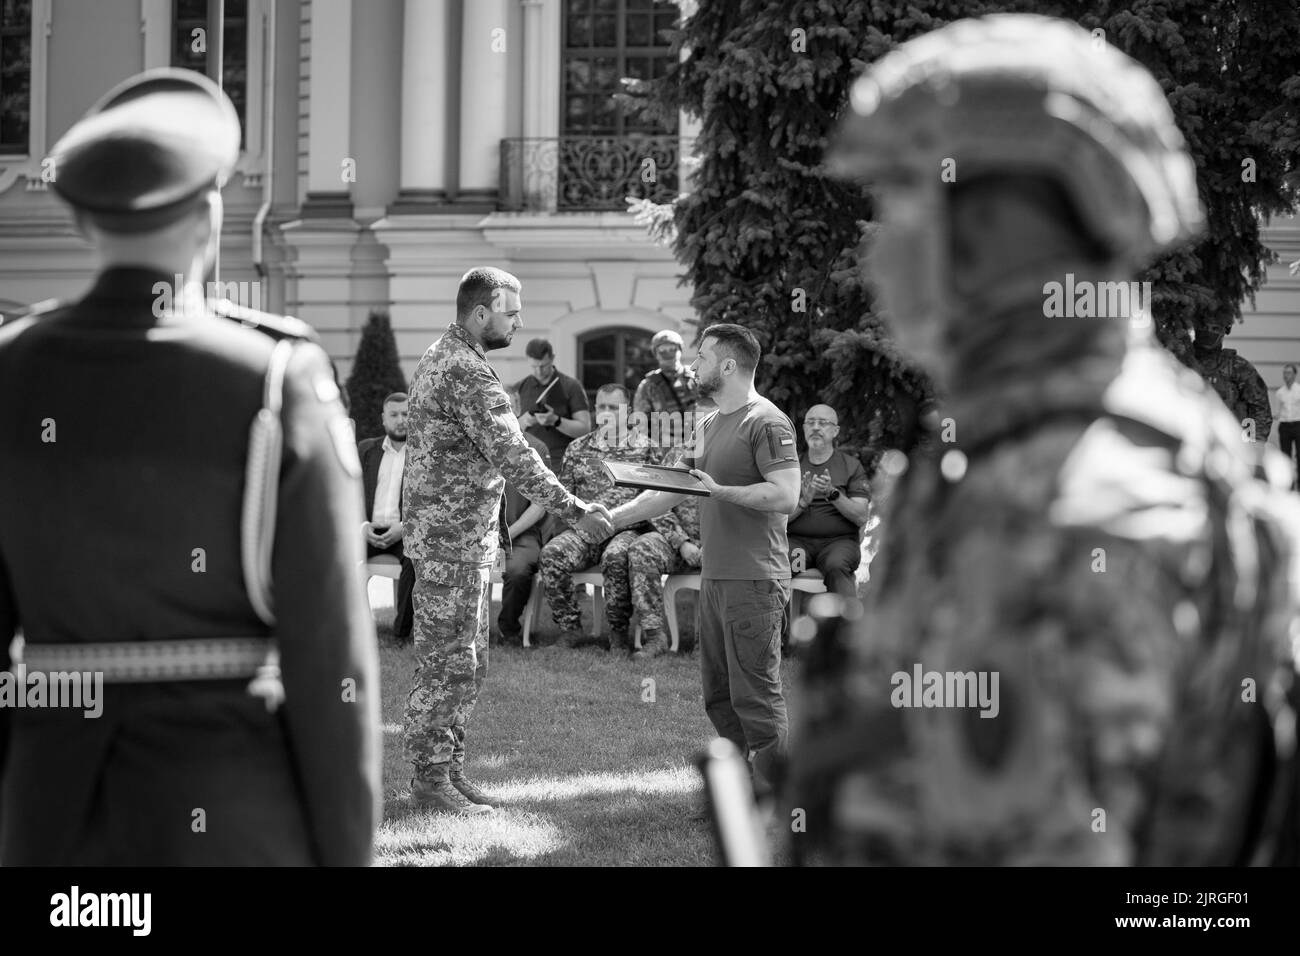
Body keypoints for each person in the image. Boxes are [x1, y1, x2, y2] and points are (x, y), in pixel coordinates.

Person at [787, 13, 1300, 866]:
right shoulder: (1124, 437)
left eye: (904, 204)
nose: (879, 253)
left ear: (1005, 228)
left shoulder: (1067, 513)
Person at [0, 68, 381, 865]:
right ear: (209, 213)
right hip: (234, 815)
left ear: (82, 224)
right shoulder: (276, 378)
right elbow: (329, 659)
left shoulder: (12, 371)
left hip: (50, 821)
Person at [402, 266, 612, 815]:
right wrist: (576, 508)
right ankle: (430, 781)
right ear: (481, 313)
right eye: (511, 311)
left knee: (466, 661)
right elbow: (515, 454)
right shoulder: (465, 371)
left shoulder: (452, 357)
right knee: (447, 662)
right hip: (449, 542)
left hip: (460, 539)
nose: (519, 321)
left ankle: (450, 773)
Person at [605, 324, 800, 801]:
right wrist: (611, 518)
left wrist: (720, 491)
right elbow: (668, 490)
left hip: (755, 579)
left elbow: (786, 495)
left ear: (729, 365)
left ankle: (777, 797)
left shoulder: (768, 422)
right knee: (720, 695)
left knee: (755, 694)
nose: (693, 366)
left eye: (703, 357)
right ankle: (737, 795)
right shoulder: (707, 424)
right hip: (717, 578)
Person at [537, 383, 668, 651]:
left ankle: (618, 633)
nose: (606, 412)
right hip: (585, 530)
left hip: (627, 529)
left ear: (629, 411)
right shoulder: (578, 448)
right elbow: (565, 497)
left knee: (615, 556)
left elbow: (657, 500)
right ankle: (570, 629)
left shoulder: (647, 449)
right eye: (602, 407)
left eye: (613, 407)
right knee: (552, 553)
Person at [602, 445, 704, 660]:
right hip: (678, 542)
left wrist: (712, 545)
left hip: (721, 542)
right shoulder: (679, 455)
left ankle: (706, 642)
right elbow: (658, 501)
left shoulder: (735, 451)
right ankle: (655, 636)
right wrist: (682, 542)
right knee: (642, 548)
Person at [786, 404, 872, 597]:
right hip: (799, 544)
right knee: (779, 566)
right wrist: (802, 503)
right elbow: (777, 519)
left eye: (823, 423)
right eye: (811, 422)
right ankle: (777, 627)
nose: (816, 427)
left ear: (835, 431)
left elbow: (860, 516)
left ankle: (845, 625)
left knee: (835, 565)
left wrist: (833, 494)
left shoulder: (851, 466)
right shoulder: (792, 466)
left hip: (838, 543)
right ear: (804, 429)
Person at [496, 384, 553, 644]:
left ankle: (508, 629)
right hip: (476, 535)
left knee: (518, 572)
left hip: (520, 534)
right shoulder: (474, 445)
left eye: (506, 407)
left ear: (517, 410)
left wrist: (506, 534)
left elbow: (540, 505)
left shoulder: (535, 449)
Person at [359, 392, 414, 643]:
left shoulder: (423, 454)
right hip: (367, 530)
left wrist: (404, 527)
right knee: (337, 555)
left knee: (415, 558)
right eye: (394, 415)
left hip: (403, 532)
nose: (400, 420)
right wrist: (361, 526)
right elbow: (350, 492)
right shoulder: (367, 450)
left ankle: (401, 633)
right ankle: (351, 627)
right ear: (384, 419)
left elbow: (428, 500)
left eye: (406, 414)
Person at [1190, 310, 1273, 442]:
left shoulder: (1238, 367)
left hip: (1230, 448)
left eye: (1215, 328)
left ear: (1224, 331)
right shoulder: (1181, 361)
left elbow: (1260, 410)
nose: (1208, 332)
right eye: (1204, 327)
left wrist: (1253, 445)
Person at [516, 337, 591, 469]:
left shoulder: (571, 386)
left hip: (561, 464)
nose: (538, 371)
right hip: (528, 465)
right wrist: (524, 421)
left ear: (552, 358)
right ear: (527, 360)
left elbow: (584, 429)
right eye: (534, 366)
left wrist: (555, 421)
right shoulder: (520, 387)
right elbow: (508, 429)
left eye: (543, 366)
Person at [633, 328, 699, 448]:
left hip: (699, 443)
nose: (668, 353)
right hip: (665, 450)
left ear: (680, 350)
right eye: (662, 349)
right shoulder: (648, 386)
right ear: (656, 353)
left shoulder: (696, 377)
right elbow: (640, 424)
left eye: (672, 348)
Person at [1276, 363, 1300, 488]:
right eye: (1285, 373)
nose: (1286, 376)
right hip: (1285, 425)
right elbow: (1279, 410)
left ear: (1295, 375)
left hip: (1298, 425)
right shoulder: (1280, 392)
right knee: (1285, 456)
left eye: (1289, 373)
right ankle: (1288, 486)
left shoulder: (1299, 390)